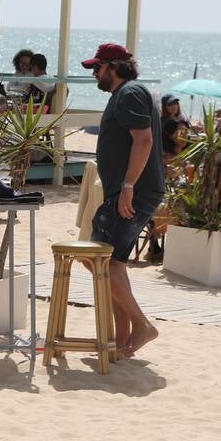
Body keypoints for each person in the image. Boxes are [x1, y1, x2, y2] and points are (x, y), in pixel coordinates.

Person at [83, 42, 164, 359]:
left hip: (134, 191)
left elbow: (144, 140)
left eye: (97, 68)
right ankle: (122, 340)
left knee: (98, 259)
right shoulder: (127, 93)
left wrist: (128, 185)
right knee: (111, 261)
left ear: (113, 67)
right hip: (130, 190)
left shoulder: (129, 93)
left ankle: (142, 326)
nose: (94, 75)